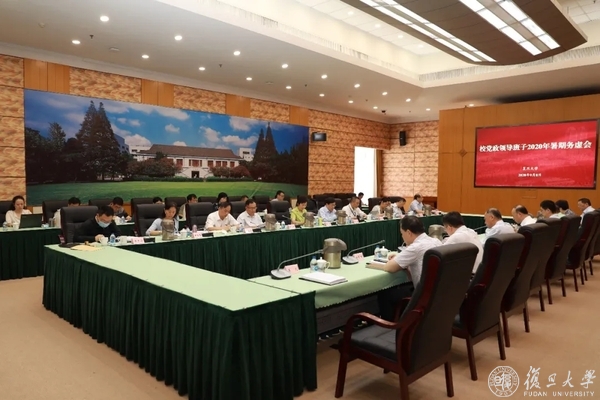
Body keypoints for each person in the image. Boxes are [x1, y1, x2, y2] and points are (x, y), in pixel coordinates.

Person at [371, 216, 442, 321]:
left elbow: (389, 267)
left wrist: (400, 261)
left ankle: (391, 326)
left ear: (408, 232)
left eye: (402, 234)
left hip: (424, 297)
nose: (402, 237)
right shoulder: (436, 241)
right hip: (439, 295)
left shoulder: (415, 247)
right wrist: (403, 261)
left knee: (385, 294)